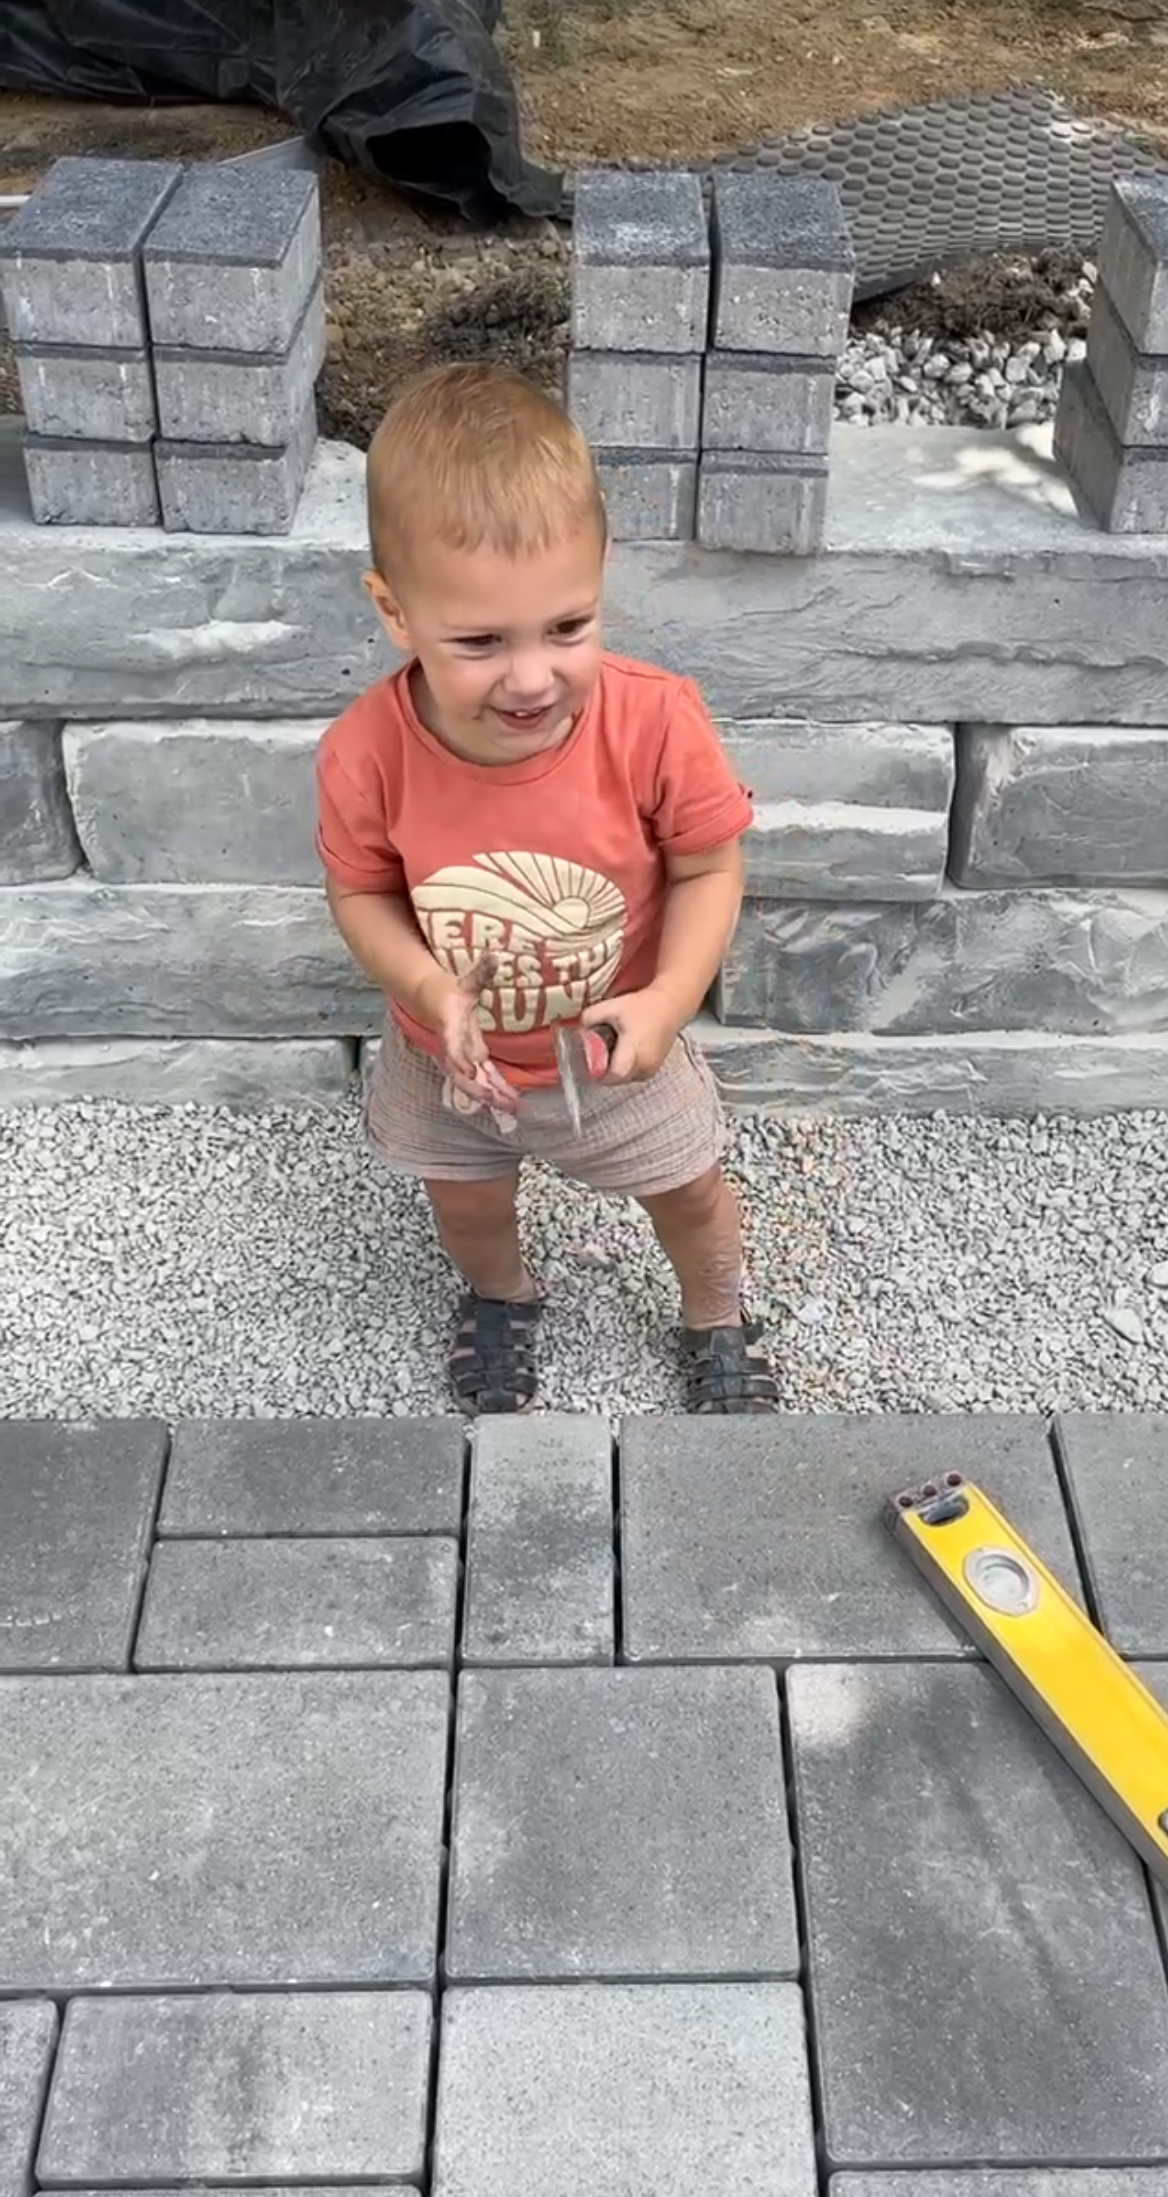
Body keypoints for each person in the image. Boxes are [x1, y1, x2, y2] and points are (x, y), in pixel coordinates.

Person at [314, 360, 780, 1419]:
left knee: (689, 1190)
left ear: (602, 577)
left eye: (568, 627)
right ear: (394, 610)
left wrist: (670, 1000)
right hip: (449, 1057)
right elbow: (362, 894)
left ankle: (715, 1313)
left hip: (617, 1050)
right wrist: (429, 990)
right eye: (480, 642)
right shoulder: (366, 753)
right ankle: (501, 1295)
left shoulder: (653, 721)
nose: (531, 677)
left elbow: (710, 864)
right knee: (467, 1206)